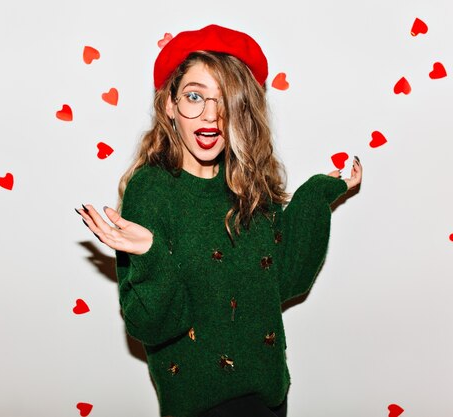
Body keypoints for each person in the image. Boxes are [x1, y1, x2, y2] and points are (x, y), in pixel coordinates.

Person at [76, 24, 362, 417]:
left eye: (224, 99)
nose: (210, 116)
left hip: (269, 396)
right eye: (194, 96)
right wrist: (152, 254)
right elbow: (150, 326)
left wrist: (316, 195)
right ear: (169, 106)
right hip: (200, 406)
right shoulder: (151, 189)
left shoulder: (248, 181)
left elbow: (285, 279)